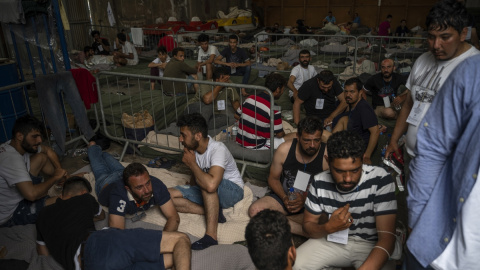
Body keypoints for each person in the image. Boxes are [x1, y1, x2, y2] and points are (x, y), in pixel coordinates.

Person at [385, 0, 479, 173]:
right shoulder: (423, 60)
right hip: (412, 155)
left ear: (463, 33)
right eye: (431, 36)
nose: (436, 45)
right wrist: (394, 139)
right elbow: (409, 104)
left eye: (445, 37)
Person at [406, 55, 480, 270]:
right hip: (437, 247)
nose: (436, 45)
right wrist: (418, 218)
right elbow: (432, 149)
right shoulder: (472, 71)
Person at [36, 176, 191, 270]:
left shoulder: (41, 215)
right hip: (98, 245)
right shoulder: (84, 199)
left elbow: (43, 255)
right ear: (83, 192)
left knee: (172, 258)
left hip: (86, 266)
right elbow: (100, 214)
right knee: (181, 240)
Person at [294, 130, 397, 270]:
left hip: (371, 244)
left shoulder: (380, 179)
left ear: (362, 159)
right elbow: (308, 226)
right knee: (296, 265)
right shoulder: (319, 181)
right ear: (327, 160)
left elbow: (387, 239)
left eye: (355, 170)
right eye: (339, 171)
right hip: (331, 240)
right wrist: (328, 227)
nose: (348, 178)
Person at [169, 113, 244, 250]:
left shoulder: (217, 149)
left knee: (207, 184)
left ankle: (211, 237)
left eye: (183, 135)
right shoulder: (194, 151)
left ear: (198, 136)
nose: (180, 139)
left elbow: (211, 184)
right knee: (166, 197)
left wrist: (192, 164)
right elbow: (195, 180)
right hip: (210, 189)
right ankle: (212, 212)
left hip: (232, 190)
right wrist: (188, 188)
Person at [248, 116, 328, 236]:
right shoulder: (284, 150)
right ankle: (306, 231)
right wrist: (284, 198)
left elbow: (329, 191)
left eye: (316, 140)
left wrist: (305, 199)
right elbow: (273, 178)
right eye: (306, 140)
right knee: (255, 211)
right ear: (298, 137)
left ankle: (277, 223)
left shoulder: (326, 156)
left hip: (312, 203)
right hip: (286, 198)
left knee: (328, 215)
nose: (312, 145)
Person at [87, 141, 180, 231]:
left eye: (147, 183)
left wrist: (163, 242)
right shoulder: (119, 196)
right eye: (139, 187)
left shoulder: (155, 184)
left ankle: (103, 153)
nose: (147, 190)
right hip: (106, 181)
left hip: (123, 174)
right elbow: (116, 232)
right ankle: (92, 146)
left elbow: (174, 217)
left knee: (107, 156)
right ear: (128, 189)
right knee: (97, 162)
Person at [0, 115, 67, 227]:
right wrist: (55, 177)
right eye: (35, 137)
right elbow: (31, 195)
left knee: (41, 157)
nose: (40, 140)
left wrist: (60, 171)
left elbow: (48, 150)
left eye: (40, 136)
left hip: (19, 194)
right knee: (65, 199)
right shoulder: (11, 159)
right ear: (20, 136)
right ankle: (47, 190)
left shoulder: (13, 145)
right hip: (11, 213)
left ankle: (59, 182)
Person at [236, 73, 295, 149]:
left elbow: (236, 115)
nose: (282, 92)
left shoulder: (250, 98)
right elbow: (279, 134)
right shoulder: (274, 108)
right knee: (295, 135)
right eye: (282, 90)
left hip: (240, 141)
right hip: (257, 145)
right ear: (277, 90)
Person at [329, 78, 379, 165]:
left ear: (360, 93)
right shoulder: (353, 105)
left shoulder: (363, 107)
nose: (348, 95)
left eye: (352, 92)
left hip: (357, 149)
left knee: (323, 136)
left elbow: (375, 131)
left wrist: (367, 156)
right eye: (346, 91)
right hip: (351, 139)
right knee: (343, 119)